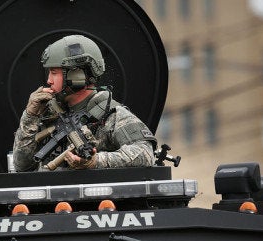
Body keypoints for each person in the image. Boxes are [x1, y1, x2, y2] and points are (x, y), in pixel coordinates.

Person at [12, 34, 156, 172]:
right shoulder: (45, 111)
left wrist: (96, 162)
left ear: (77, 75)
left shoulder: (111, 114)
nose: (49, 80)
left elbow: (145, 153)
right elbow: (22, 166)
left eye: (54, 72)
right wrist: (30, 116)